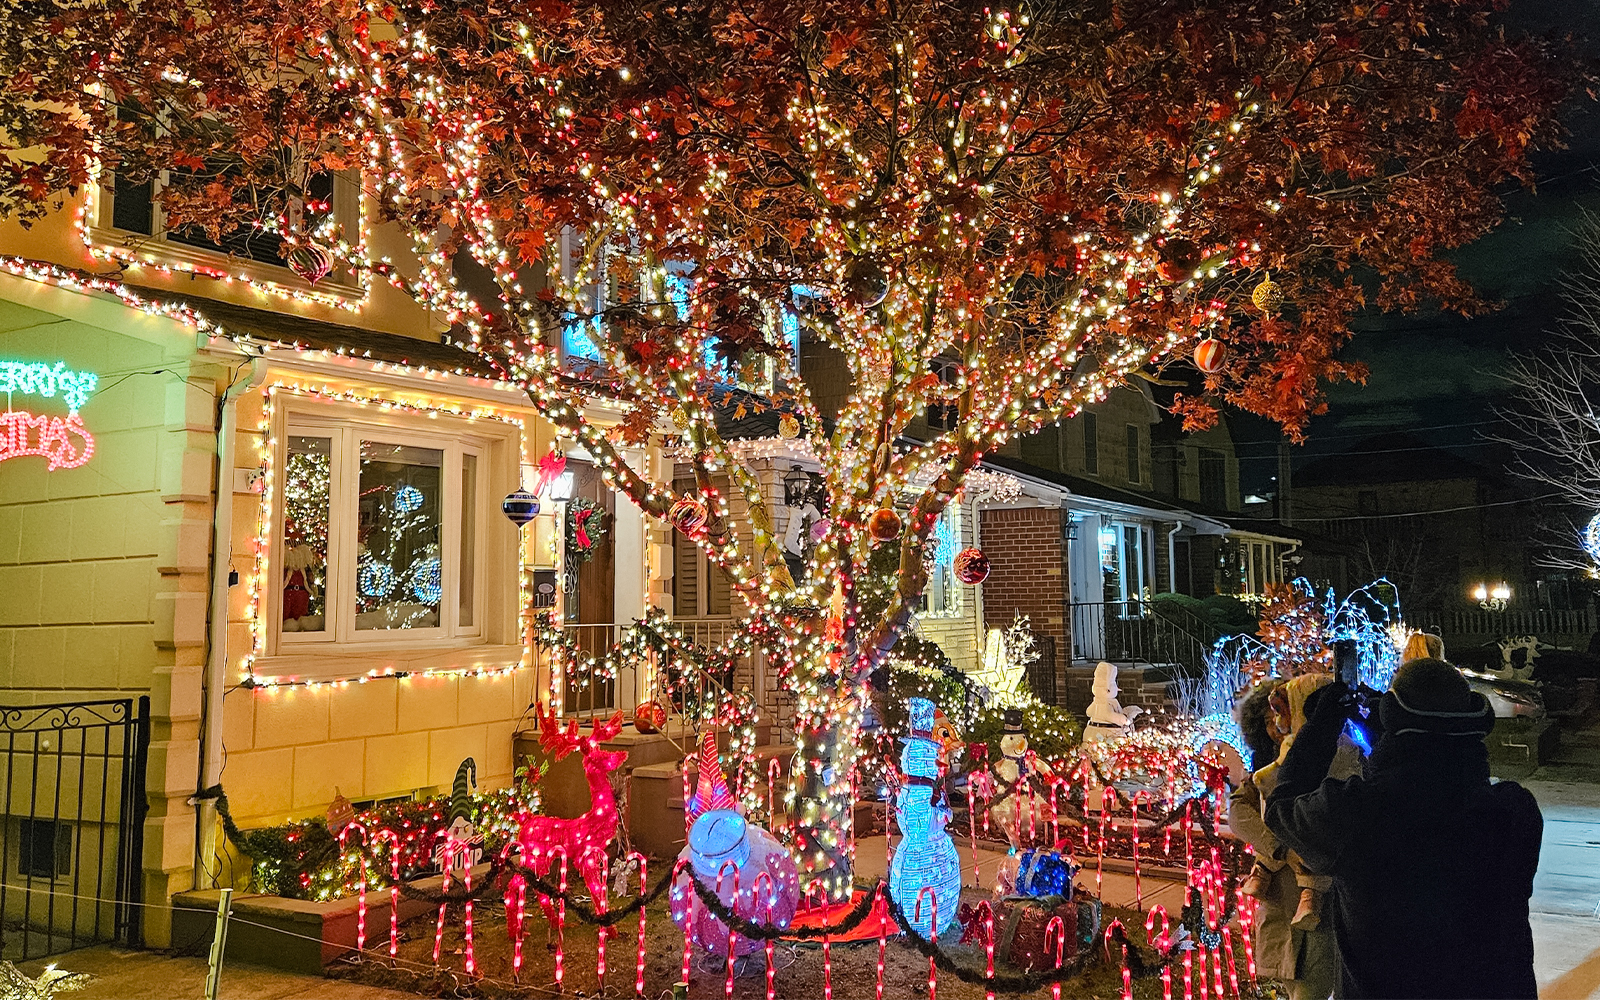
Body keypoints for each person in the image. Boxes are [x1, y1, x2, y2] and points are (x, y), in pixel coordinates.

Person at [1264, 658, 1542, 999]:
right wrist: (1394, 727)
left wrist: (1323, 723)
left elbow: (1281, 808)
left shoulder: (1358, 815)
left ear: (1392, 719)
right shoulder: (1514, 813)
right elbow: (1435, 772)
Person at [1229, 676, 1357, 1000]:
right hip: (1282, 902)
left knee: (1314, 985)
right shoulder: (1269, 765)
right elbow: (1240, 811)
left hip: (1322, 907)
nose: (1276, 724)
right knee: (1288, 983)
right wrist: (1279, 845)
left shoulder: (1341, 757)